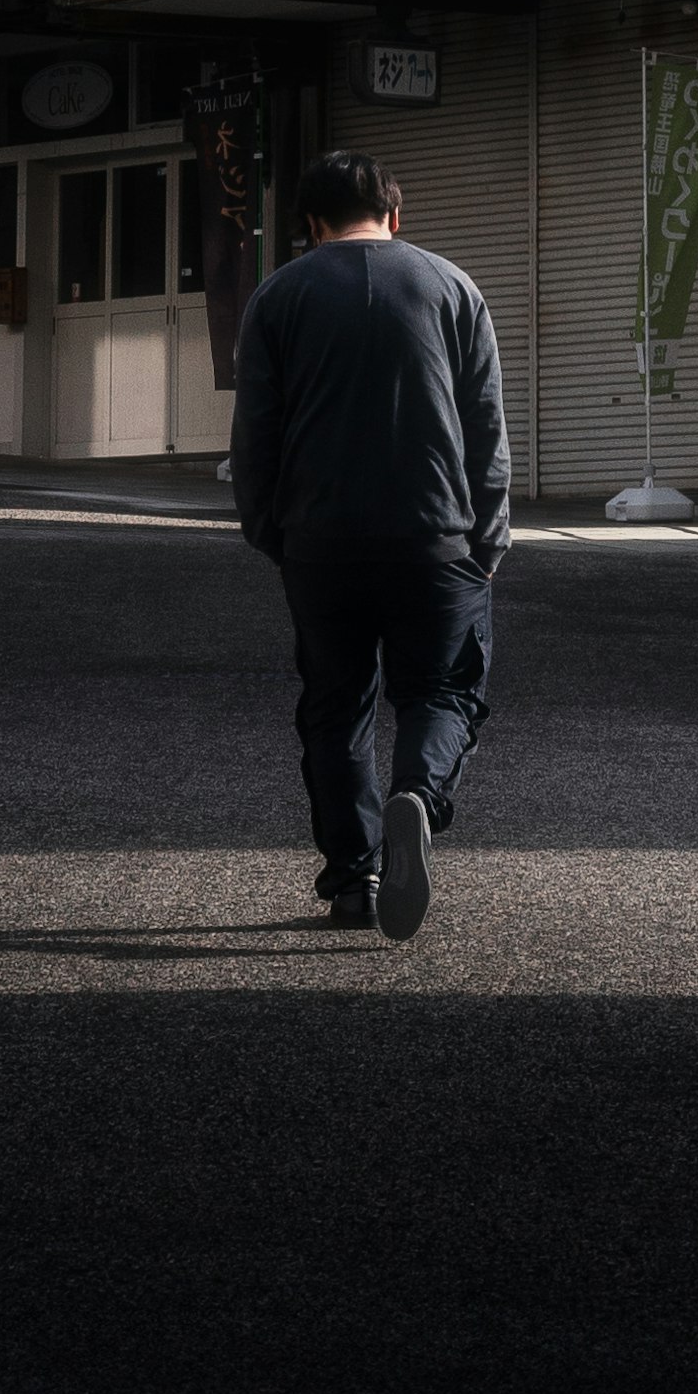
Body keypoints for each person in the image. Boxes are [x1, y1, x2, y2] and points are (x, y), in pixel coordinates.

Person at [225, 150, 510, 943]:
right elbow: (484, 424)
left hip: (320, 540)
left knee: (336, 705)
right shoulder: (453, 287)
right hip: (435, 536)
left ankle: (352, 880)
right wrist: (488, 535)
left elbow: (256, 433)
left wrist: (270, 530)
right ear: (395, 212)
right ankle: (416, 798)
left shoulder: (277, 296)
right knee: (443, 691)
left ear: (310, 224)